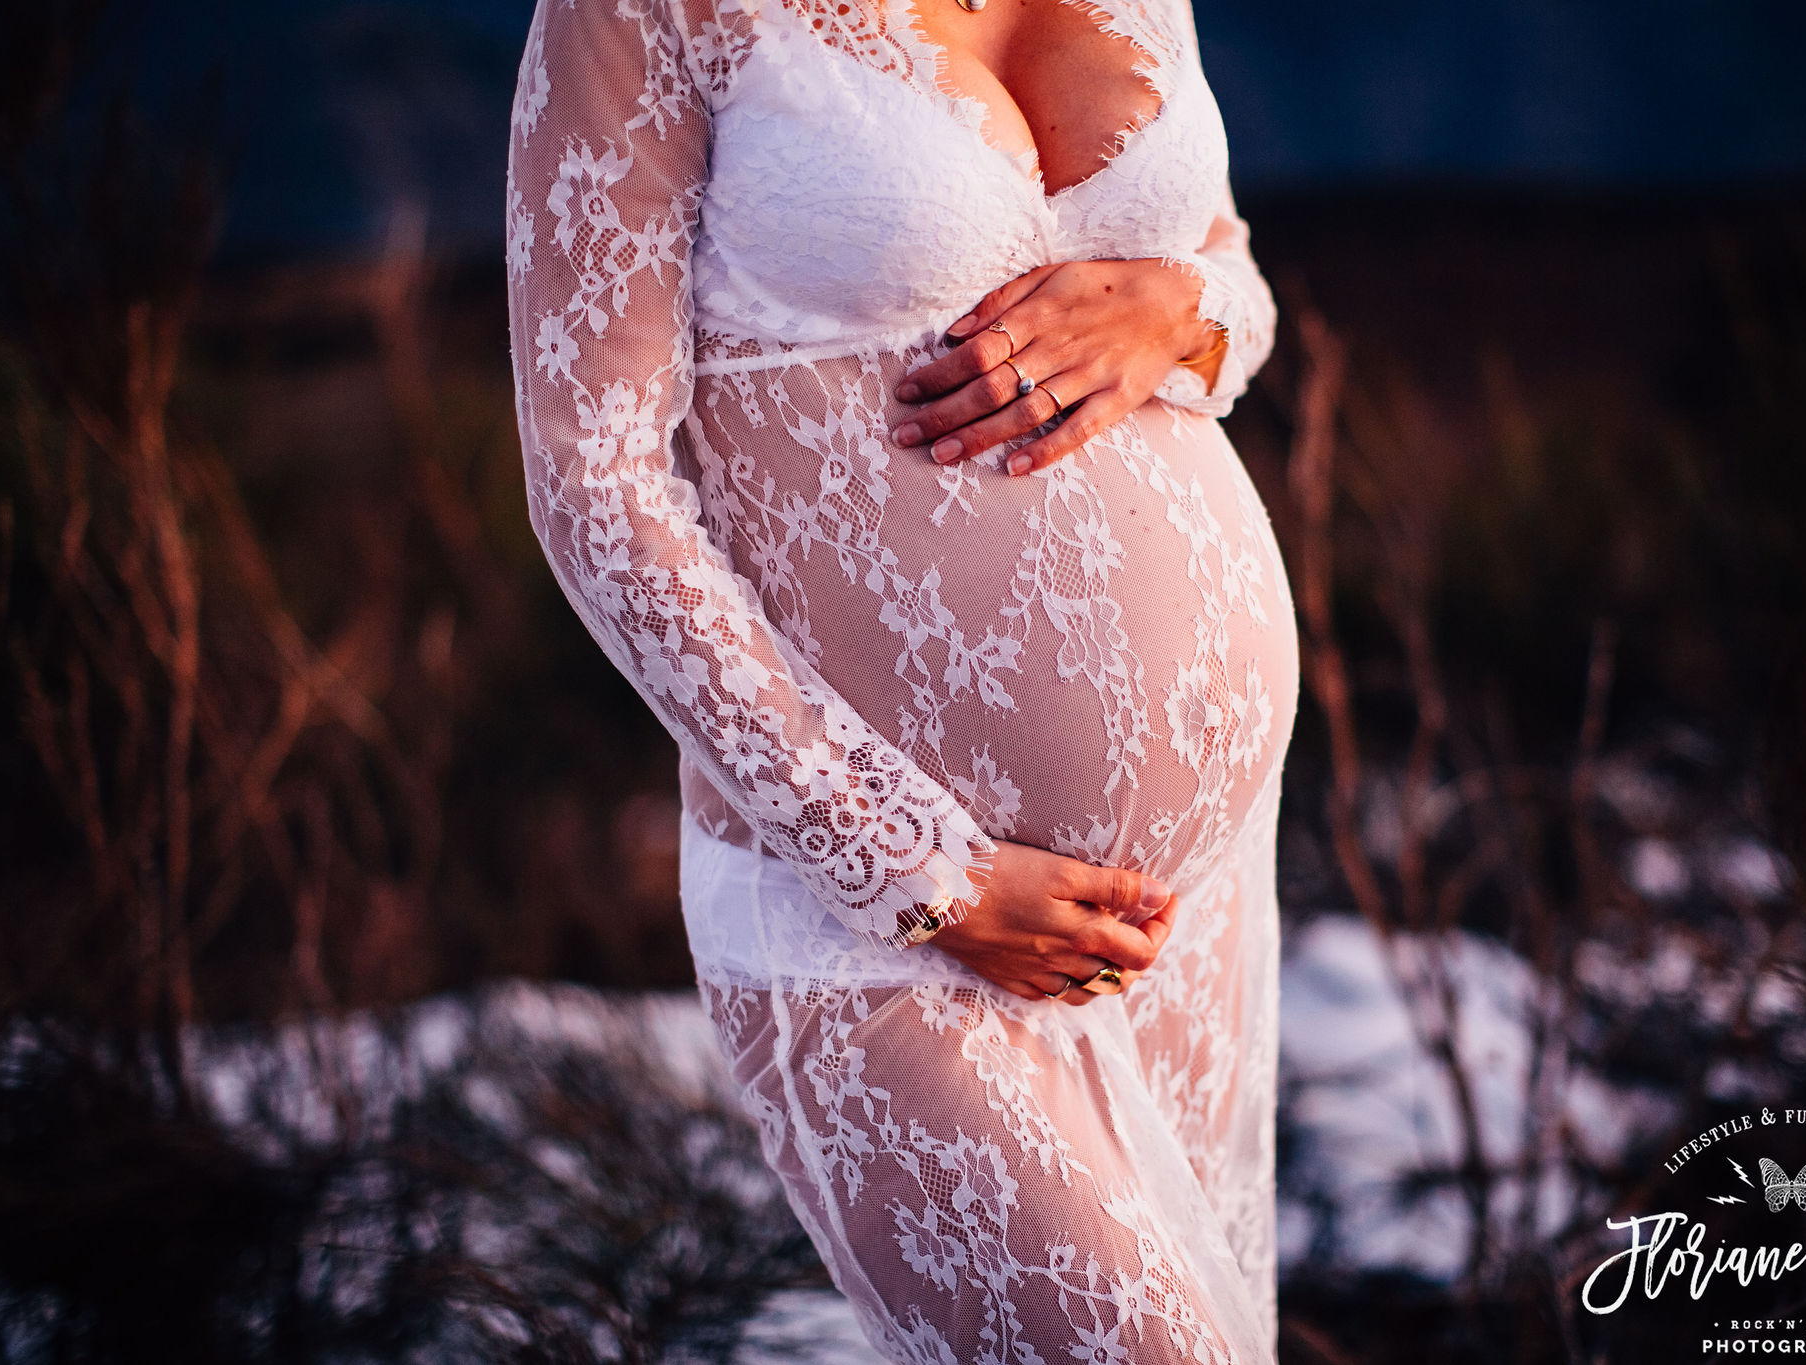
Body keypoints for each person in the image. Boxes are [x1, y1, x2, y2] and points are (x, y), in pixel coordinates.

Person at [504, 0, 1294, 1357]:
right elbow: (593, 476)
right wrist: (914, 870)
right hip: (883, 925)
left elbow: (1235, 285)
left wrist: (1182, 310)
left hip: (1190, 912)